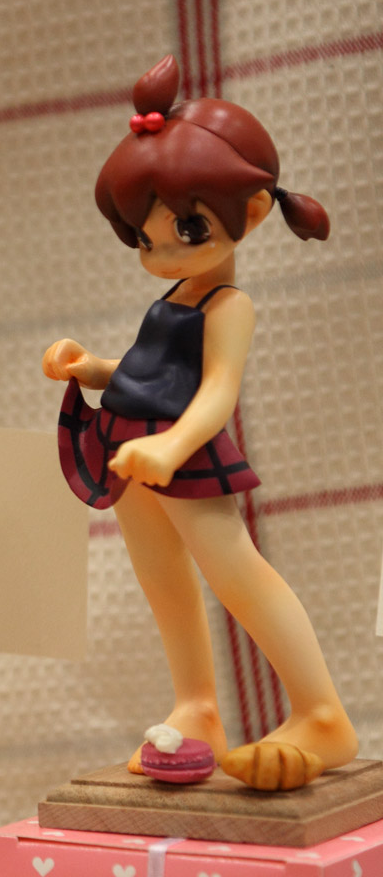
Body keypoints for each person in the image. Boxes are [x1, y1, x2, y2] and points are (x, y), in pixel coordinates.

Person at [43, 57, 355, 791]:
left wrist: (172, 445)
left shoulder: (229, 306)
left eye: (187, 228)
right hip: (129, 451)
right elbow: (151, 369)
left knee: (240, 576)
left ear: (253, 213)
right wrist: (91, 367)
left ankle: (322, 714)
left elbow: (216, 394)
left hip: (175, 456)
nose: (162, 252)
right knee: (165, 585)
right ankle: (198, 708)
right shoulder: (178, 295)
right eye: (145, 237)